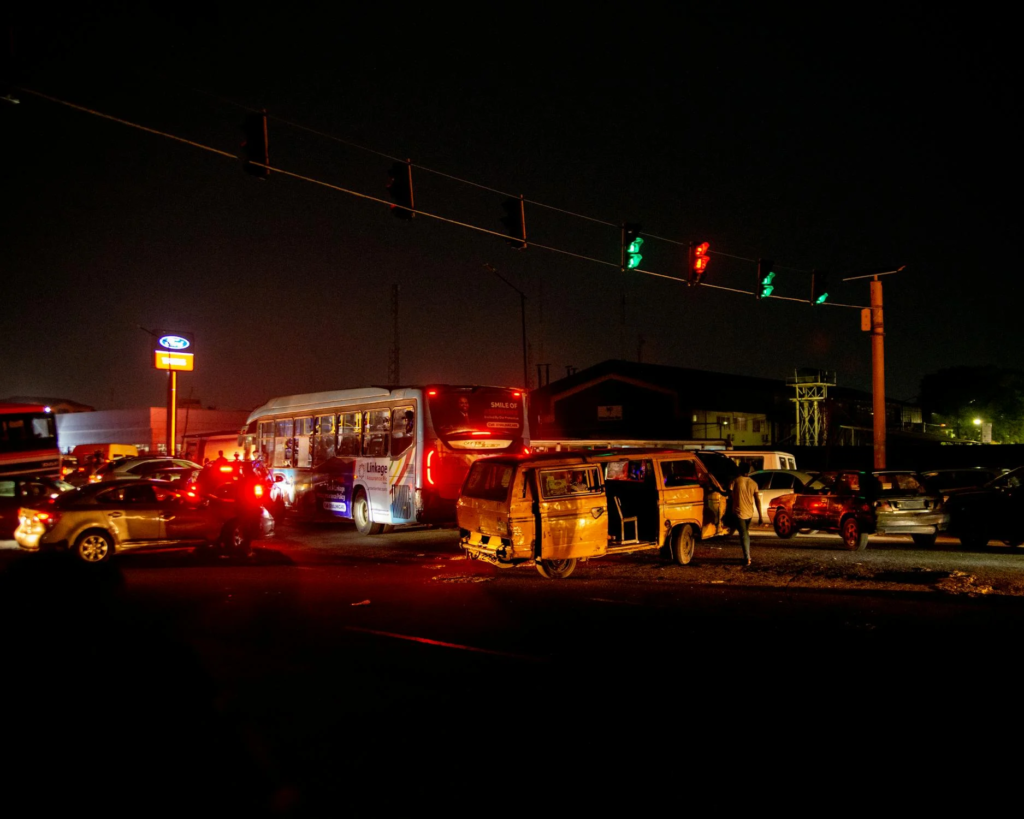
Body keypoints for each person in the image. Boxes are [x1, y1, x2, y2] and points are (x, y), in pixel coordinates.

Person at [730, 461, 763, 566]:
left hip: (739, 512)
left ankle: (747, 557)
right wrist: (760, 516)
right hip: (749, 513)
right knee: (745, 534)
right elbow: (757, 500)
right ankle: (747, 555)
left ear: (740, 470)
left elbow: (730, 496)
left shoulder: (735, 481)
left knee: (744, 535)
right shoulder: (753, 483)